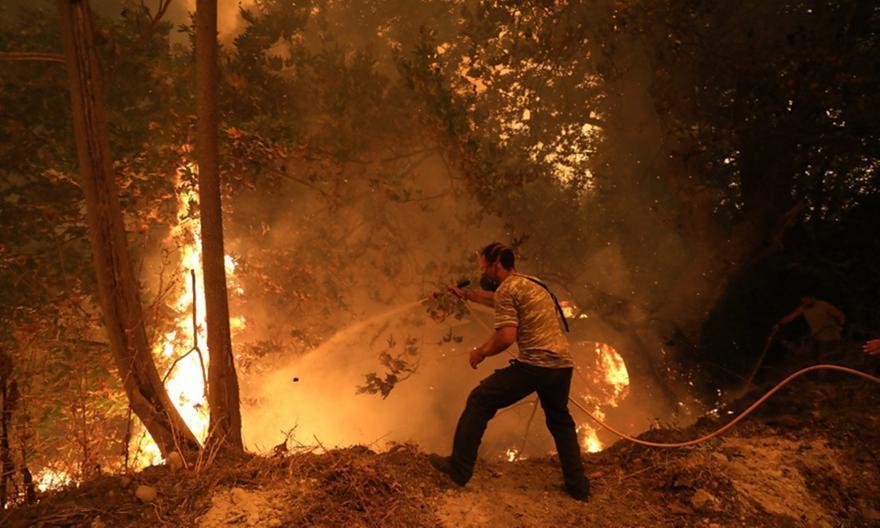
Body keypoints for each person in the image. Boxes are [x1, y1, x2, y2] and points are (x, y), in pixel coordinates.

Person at [429, 242, 590, 501]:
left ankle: (458, 470)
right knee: (560, 421)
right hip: (561, 365)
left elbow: (505, 337)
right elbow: (497, 300)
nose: (483, 274)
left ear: (496, 265)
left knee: (480, 400)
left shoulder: (507, 289)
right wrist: (467, 295)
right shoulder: (530, 283)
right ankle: (578, 486)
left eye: (484, 268)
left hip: (536, 365)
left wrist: (480, 352)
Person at [773, 294, 846, 358]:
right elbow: (791, 317)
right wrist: (779, 324)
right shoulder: (804, 308)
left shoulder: (823, 305)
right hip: (816, 336)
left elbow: (840, 315)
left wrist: (841, 326)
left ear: (812, 298)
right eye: (804, 301)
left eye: (807, 300)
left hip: (829, 337)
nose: (805, 302)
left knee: (824, 360)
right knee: (807, 355)